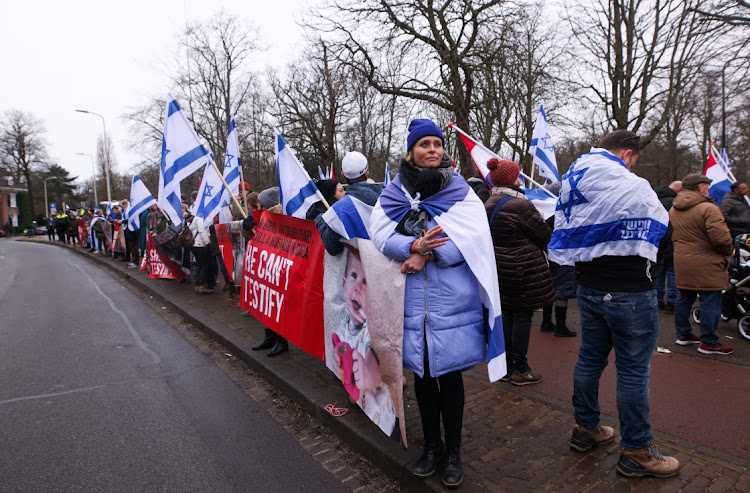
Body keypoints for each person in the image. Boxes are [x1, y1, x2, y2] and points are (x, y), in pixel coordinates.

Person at [371, 119, 501, 488]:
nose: (432, 149)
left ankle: (454, 452)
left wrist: (430, 255)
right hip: (411, 304)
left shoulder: (460, 190)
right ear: (410, 151)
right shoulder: (394, 192)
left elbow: (475, 240)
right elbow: (380, 235)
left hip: (451, 306)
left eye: (437, 144)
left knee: (451, 380)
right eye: (424, 144)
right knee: (424, 381)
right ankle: (432, 446)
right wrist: (412, 245)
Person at [549, 130, 679, 478]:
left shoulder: (575, 178)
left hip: (589, 288)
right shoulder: (633, 186)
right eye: (633, 159)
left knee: (590, 359)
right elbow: (662, 232)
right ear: (627, 154)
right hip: (630, 291)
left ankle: (585, 429)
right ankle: (637, 450)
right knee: (633, 371)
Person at [484, 158, 555, 386]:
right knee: (522, 317)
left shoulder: (489, 203)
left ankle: (506, 367)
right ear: (512, 178)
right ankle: (521, 370)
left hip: (500, 269)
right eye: (518, 174)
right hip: (522, 270)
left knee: (507, 316)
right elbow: (545, 236)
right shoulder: (521, 205)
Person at [331, 247, 396, 435]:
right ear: (343, 284)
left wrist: (370, 373)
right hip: (362, 401)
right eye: (353, 275)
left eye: (366, 281)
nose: (358, 287)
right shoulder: (342, 327)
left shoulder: (372, 327)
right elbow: (340, 347)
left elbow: (371, 355)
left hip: (380, 410)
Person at [670, 173, 734, 355]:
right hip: (708, 262)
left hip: (683, 260)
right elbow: (721, 240)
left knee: (683, 298)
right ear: (700, 187)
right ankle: (709, 342)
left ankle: (683, 334)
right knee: (710, 301)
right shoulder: (709, 208)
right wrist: (729, 251)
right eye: (707, 185)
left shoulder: (674, 209)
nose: (708, 188)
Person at [316, 152, 384, 256]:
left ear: (343, 175)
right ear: (367, 173)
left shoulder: (340, 209)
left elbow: (332, 247)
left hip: (362, 269)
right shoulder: (389, 197)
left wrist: (321, 221)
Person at [250, 186, 289, 357]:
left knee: (276, 305)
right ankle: (269, 337)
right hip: (263, 267)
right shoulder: (261, 218)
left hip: (277, 267)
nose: (257, 207)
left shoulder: (281, 219)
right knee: (265, 304)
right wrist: (247, 226)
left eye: (261, 204)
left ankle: (281, 341)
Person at [653, 181, 681, 313]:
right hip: (673, 241)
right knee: (672, 273)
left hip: (659, 242)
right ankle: (671, 300)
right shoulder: (677, 204)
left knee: (660, 272)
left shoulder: (654, 203)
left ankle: (658, 299)